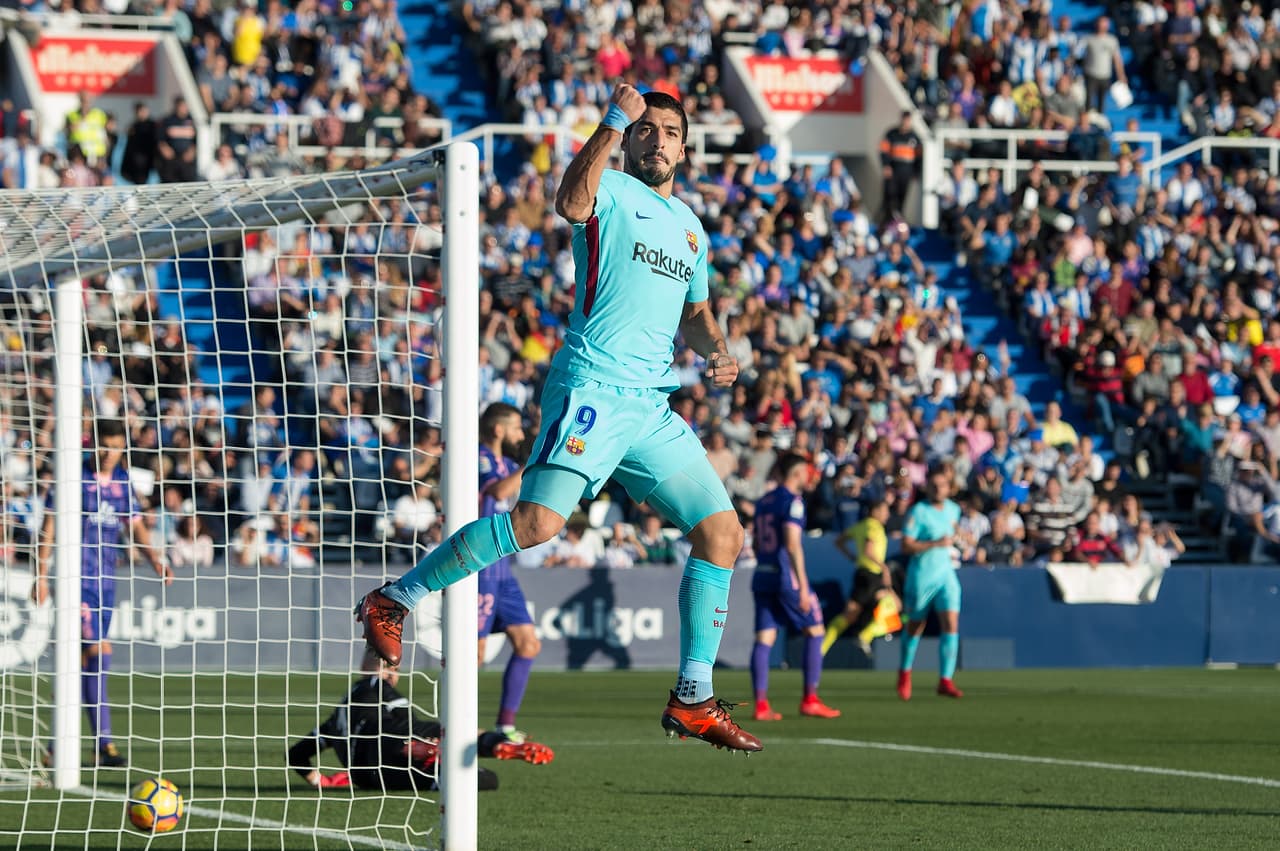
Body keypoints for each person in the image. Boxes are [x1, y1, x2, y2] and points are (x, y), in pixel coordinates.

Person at [357, 86, 762, 753]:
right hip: (593, 386)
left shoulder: (692, 228)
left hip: (650, 405)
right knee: (537, 525)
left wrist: (717, 350)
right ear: (631, 139)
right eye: (647, 129)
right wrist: (612, 122)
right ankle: (394, 598)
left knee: (723, 534)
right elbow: (570, 204)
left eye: (669, 132)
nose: (657, 140)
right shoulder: (610, 189)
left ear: (685, 148)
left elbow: (695, 314)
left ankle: (693, 695)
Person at [32, 420, 173, 767]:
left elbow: (134, 524)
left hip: (106, 582)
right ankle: (103, 744)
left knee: (79, 662)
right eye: (104, 445)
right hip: (75, 580)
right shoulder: (73, 478)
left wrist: (156, 559)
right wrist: (41, 575)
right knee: (99, 652)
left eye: (116, 446)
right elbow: (49, 526)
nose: (109, 453)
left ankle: (57, 746)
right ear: (91, 444)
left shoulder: (122, 481)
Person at [287, 647, 553, 792]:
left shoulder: (335, 718)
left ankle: (443, 752)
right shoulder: (377, 685)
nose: (392, 675)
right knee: (457, 731)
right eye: (391, 668)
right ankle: (498, 744)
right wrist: (421, 742)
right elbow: (407, 723)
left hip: (372, 778)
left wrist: (320, 781)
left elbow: (296, 754)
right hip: (394, 742)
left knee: (482, 780)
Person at [748, 455, 840, 722]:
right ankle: (810, 699)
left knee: (764, 639)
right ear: (798, 473)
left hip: (762, 573)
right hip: (785, 576)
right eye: (807, 472)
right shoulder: (793, 502)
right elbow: (792, 544)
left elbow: (756, 543)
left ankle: (761, 705)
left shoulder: (764, 501)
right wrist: (802, 585)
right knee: (816, 631)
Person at [475, 402, 542, 740]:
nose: (519, 433)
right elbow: (499, 490)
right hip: (480, 569)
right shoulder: (478, 457)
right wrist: (529, 465)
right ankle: (456, 725)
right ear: (498, 429)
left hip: (503, 568)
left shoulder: (506, 463)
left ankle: (504, 725)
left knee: (528, 643)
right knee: (474, 654)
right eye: (516, 427)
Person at [896, 466, 964, 701]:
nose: (938, 489)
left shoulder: (954, 509)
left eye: (942, 485)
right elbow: (906, 545)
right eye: (933, 486)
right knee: (916, 625)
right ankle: (905, 672)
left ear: (948, 487)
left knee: (951, 623)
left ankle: (945, 679)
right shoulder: (918, 511)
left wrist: (962, 536)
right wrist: (934, 543)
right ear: (927, 488)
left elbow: (954, 530)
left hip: (946, 574)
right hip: (923, 575)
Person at [824, 499, 897, 656]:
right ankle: (865, 636)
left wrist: (852, 557)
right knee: (893, 606)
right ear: (875, 511)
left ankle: (821, 649)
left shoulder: (860, 526)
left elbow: (839, 541)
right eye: (885, 510)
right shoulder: (874, 527)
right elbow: (869, 551)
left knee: (851, 614)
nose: (887, 515)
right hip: (872, 575)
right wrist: (884, 568)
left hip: (863, 574)